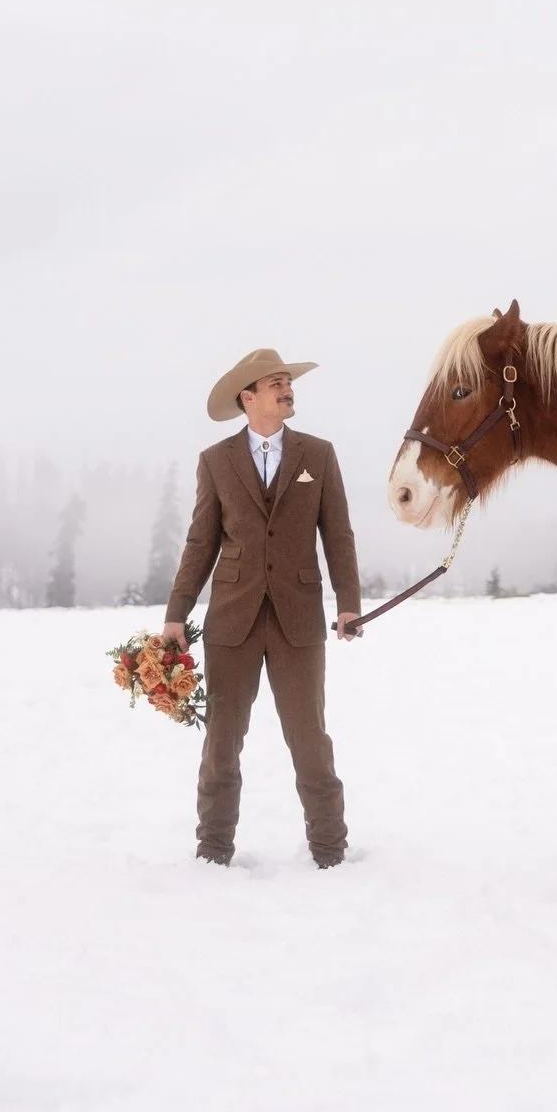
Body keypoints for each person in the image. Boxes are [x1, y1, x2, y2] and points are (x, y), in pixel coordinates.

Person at [163, 348, 363, 867]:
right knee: (222, 743)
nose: (286, 388)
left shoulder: (318, 455)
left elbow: (337, 534)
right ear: (247, 397)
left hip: (299, 620)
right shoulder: (215, 461)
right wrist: (175, 614)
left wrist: (348, 604)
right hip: (232, 618)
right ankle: (212, 851)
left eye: (287, 381)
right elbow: (200, 544)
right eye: (275, 383)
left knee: (310, 740)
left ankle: (329, 850)